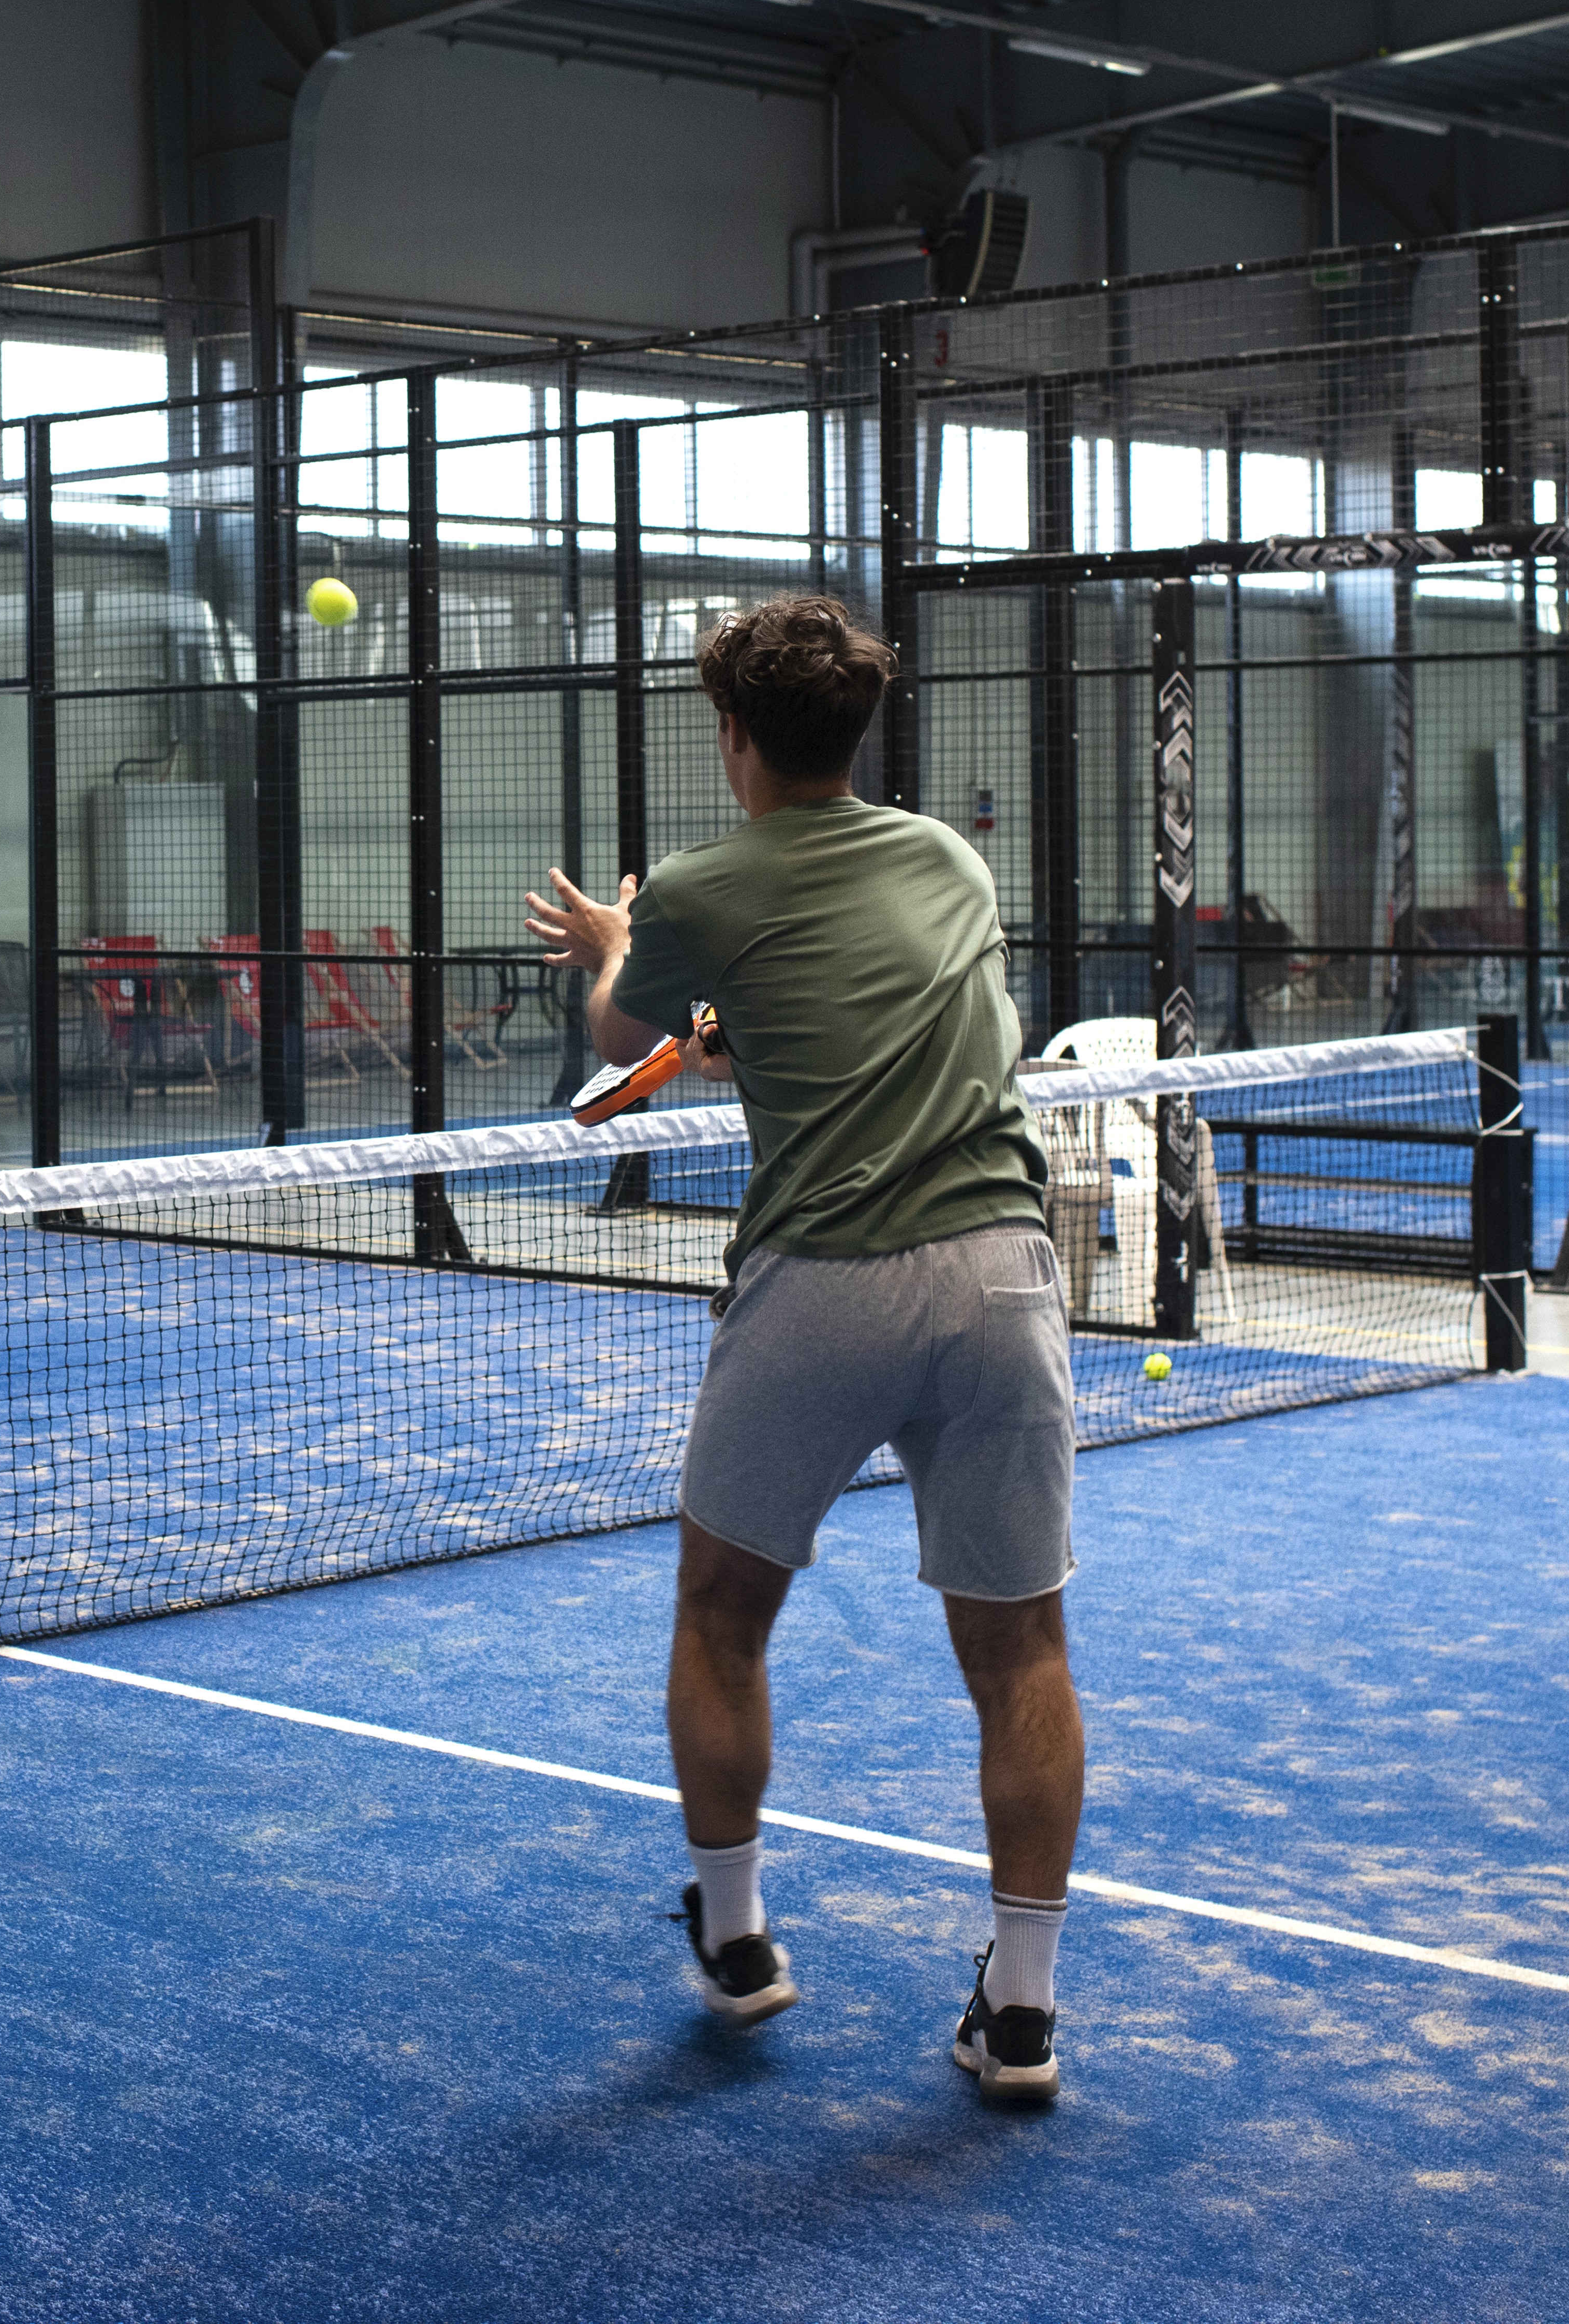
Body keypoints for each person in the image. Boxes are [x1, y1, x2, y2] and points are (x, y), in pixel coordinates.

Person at [523, 593, 1085, 2108]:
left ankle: (734, 1932)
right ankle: (1020, 2008)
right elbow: (854, 1007)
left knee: (719, 1611)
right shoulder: (947, 858)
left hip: (824, 1282)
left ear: (732, 737)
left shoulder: (709, 883)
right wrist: (728, 1019)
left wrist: (619, 939)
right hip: (1003, 1280)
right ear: (852, 730)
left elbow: (611, 1034)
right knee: (1020, 1648)